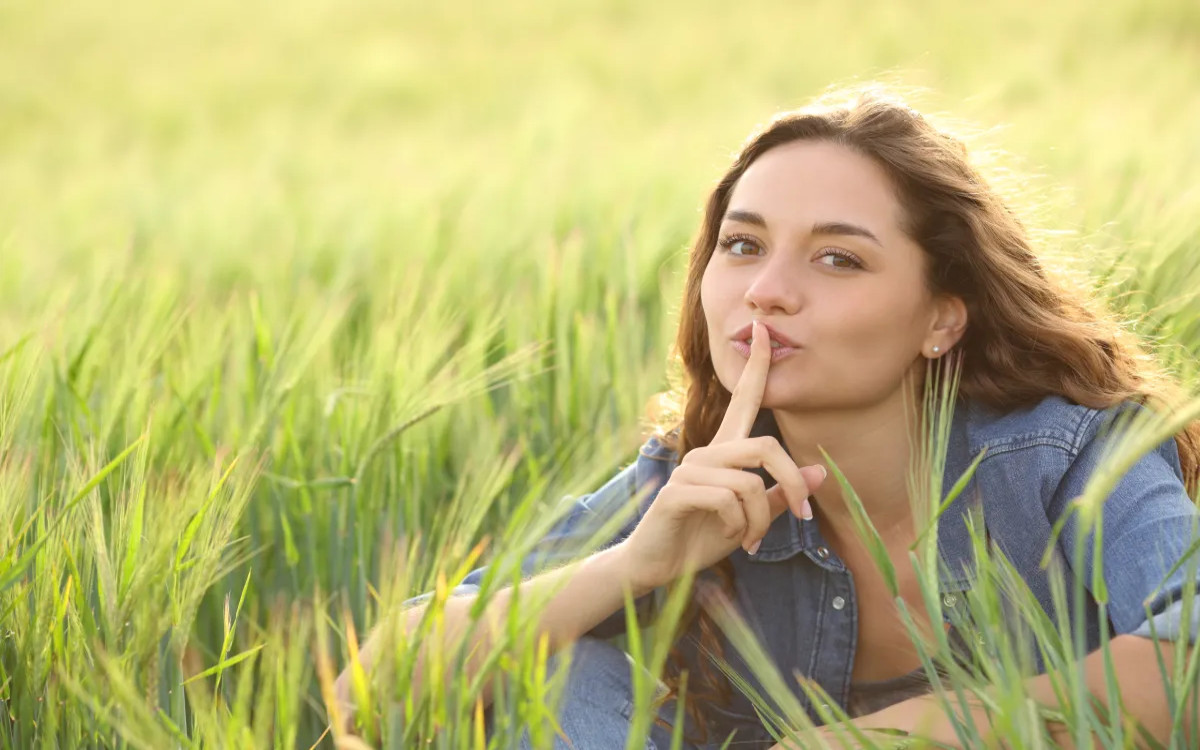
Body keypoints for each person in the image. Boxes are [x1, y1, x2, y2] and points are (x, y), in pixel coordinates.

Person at [335, 86, 1200, 749]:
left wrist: (876, 737)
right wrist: (635, 562)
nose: (766, 292)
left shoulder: (1069, 454)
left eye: (837, 258)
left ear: (943, 314)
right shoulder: (701, 481)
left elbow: (1188, 658)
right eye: (742, 245)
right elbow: (371, 695)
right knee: (552, 666)